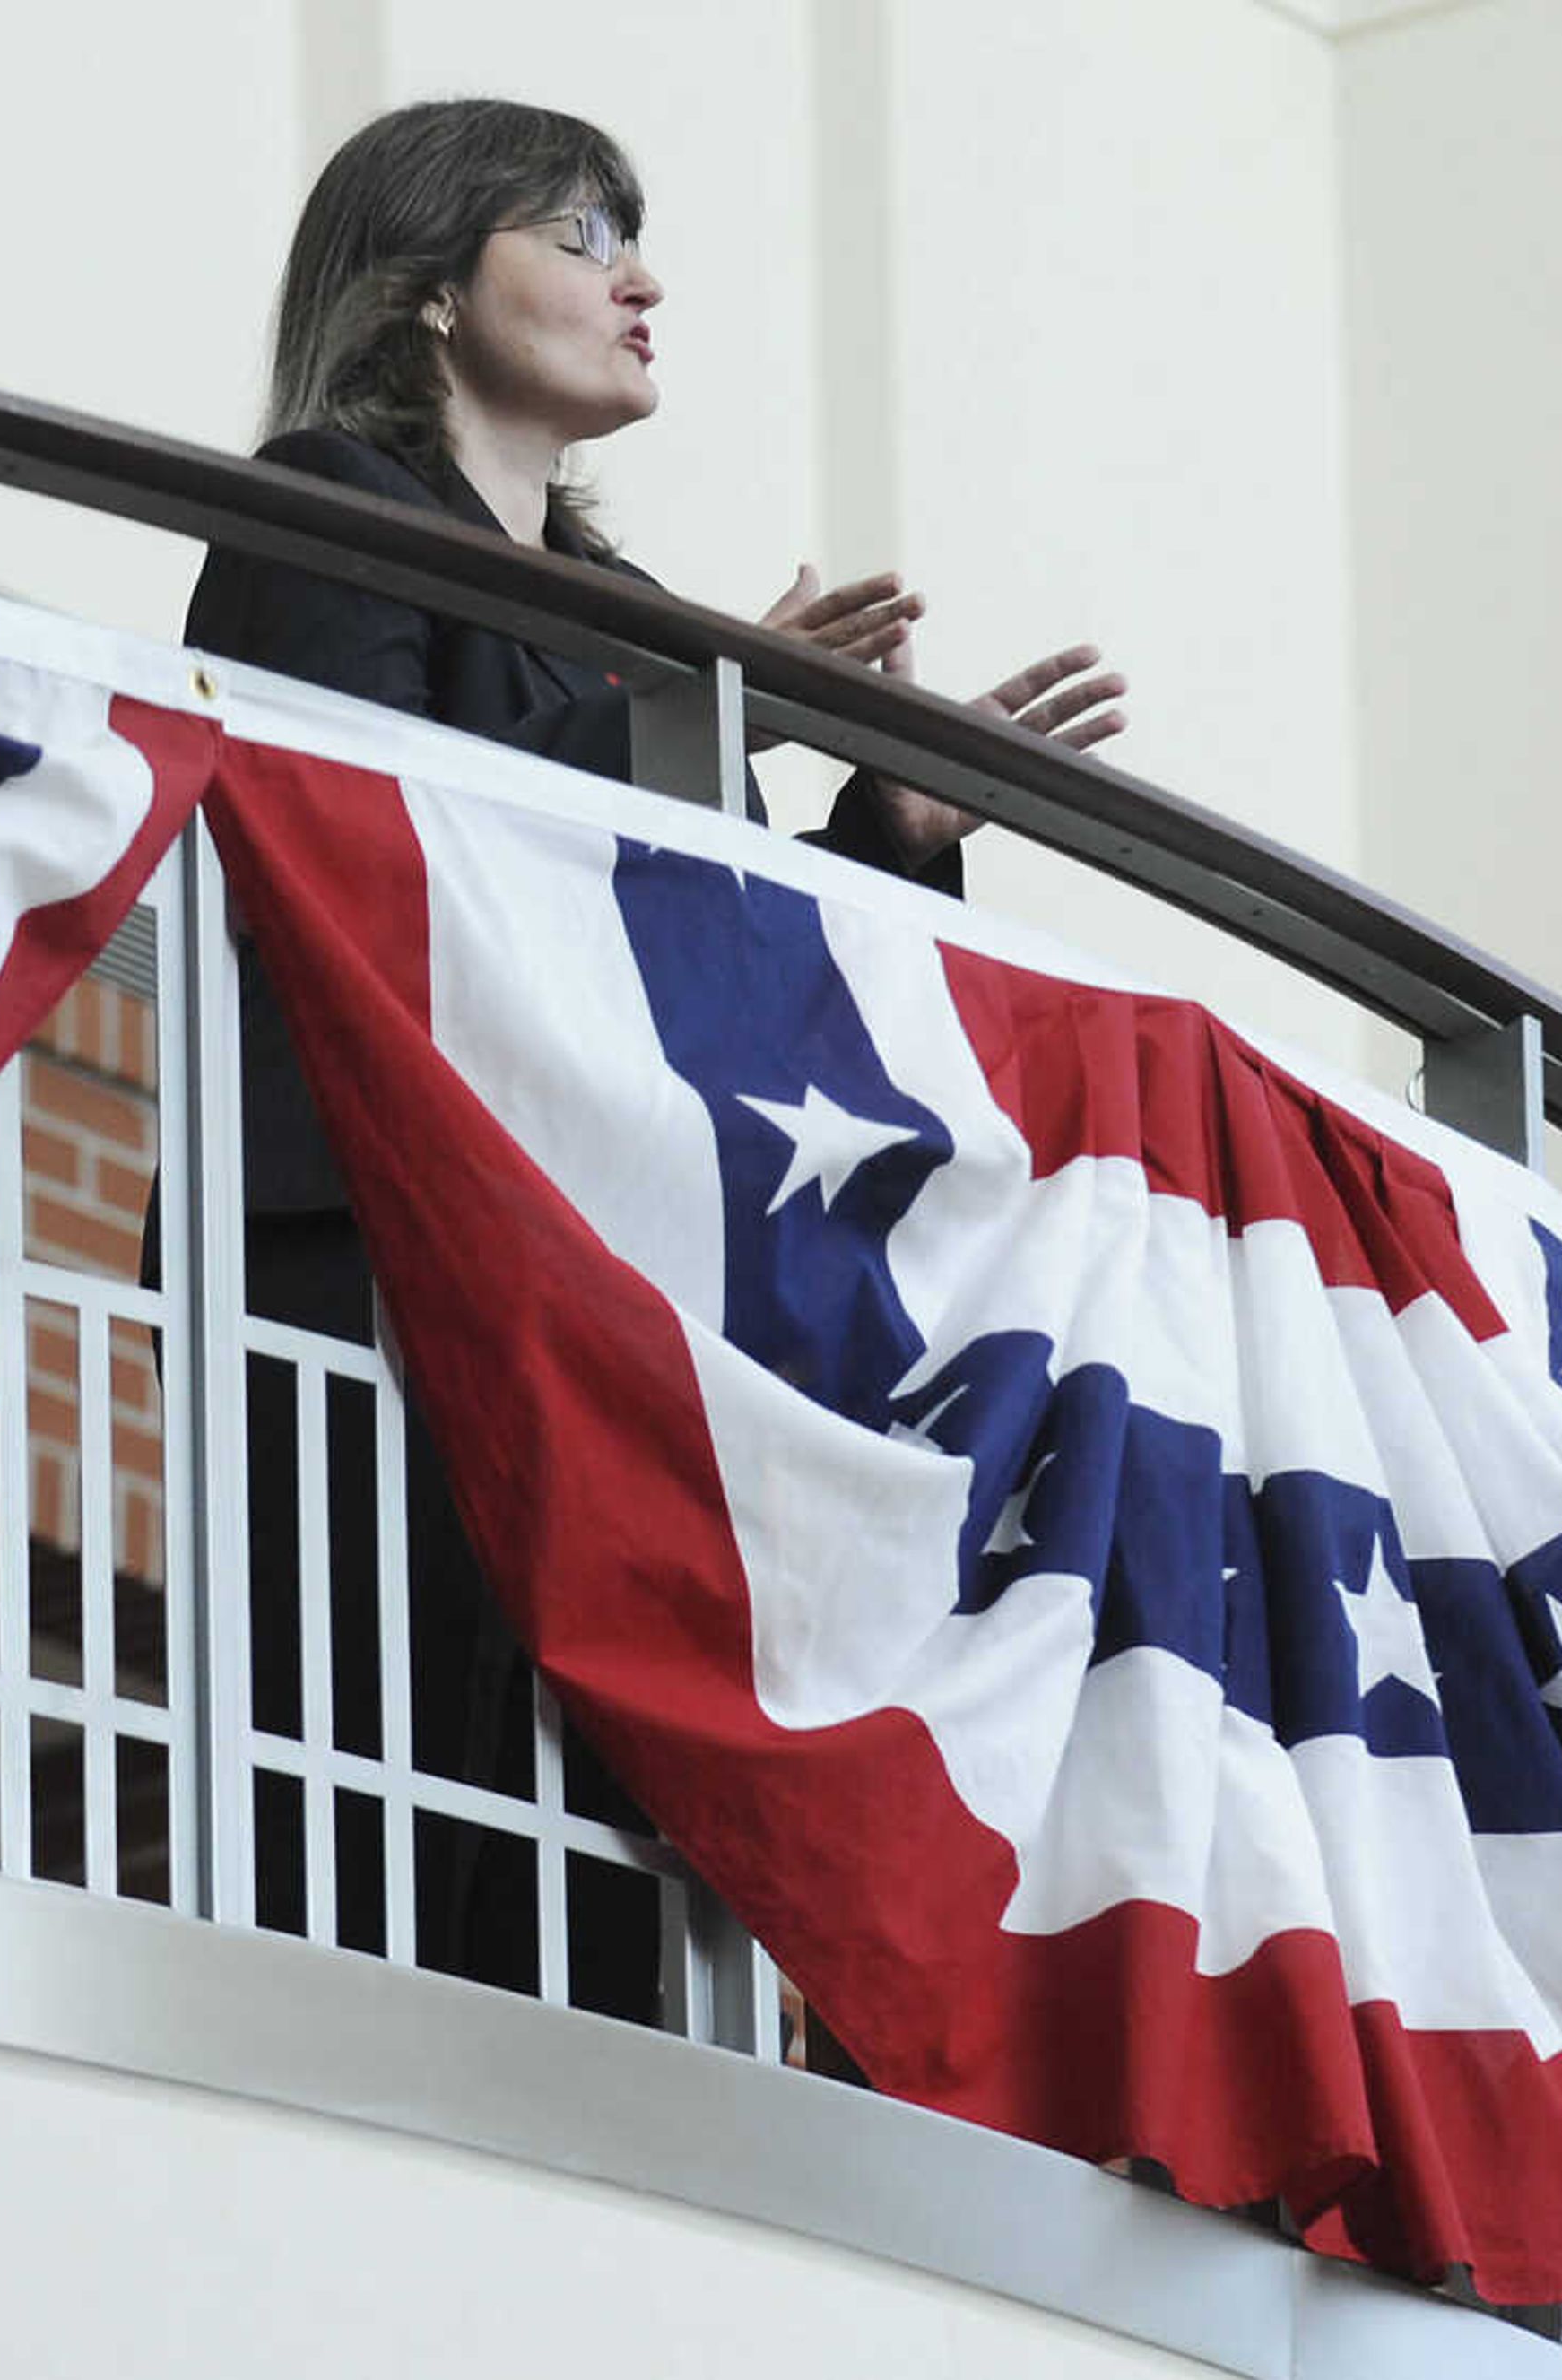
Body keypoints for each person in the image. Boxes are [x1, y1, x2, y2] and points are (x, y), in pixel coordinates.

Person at [179, 97, 1124, 2021]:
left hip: (586, 1286)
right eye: (588, 227)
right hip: (362, 1263)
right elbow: (362, 846)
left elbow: (711, 987)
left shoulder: (626, 638)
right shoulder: (326, 509)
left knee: (581, 1859)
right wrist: (709, 722)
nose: (645, 274)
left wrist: (883, 828)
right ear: (435, 284)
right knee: (367, 1834)